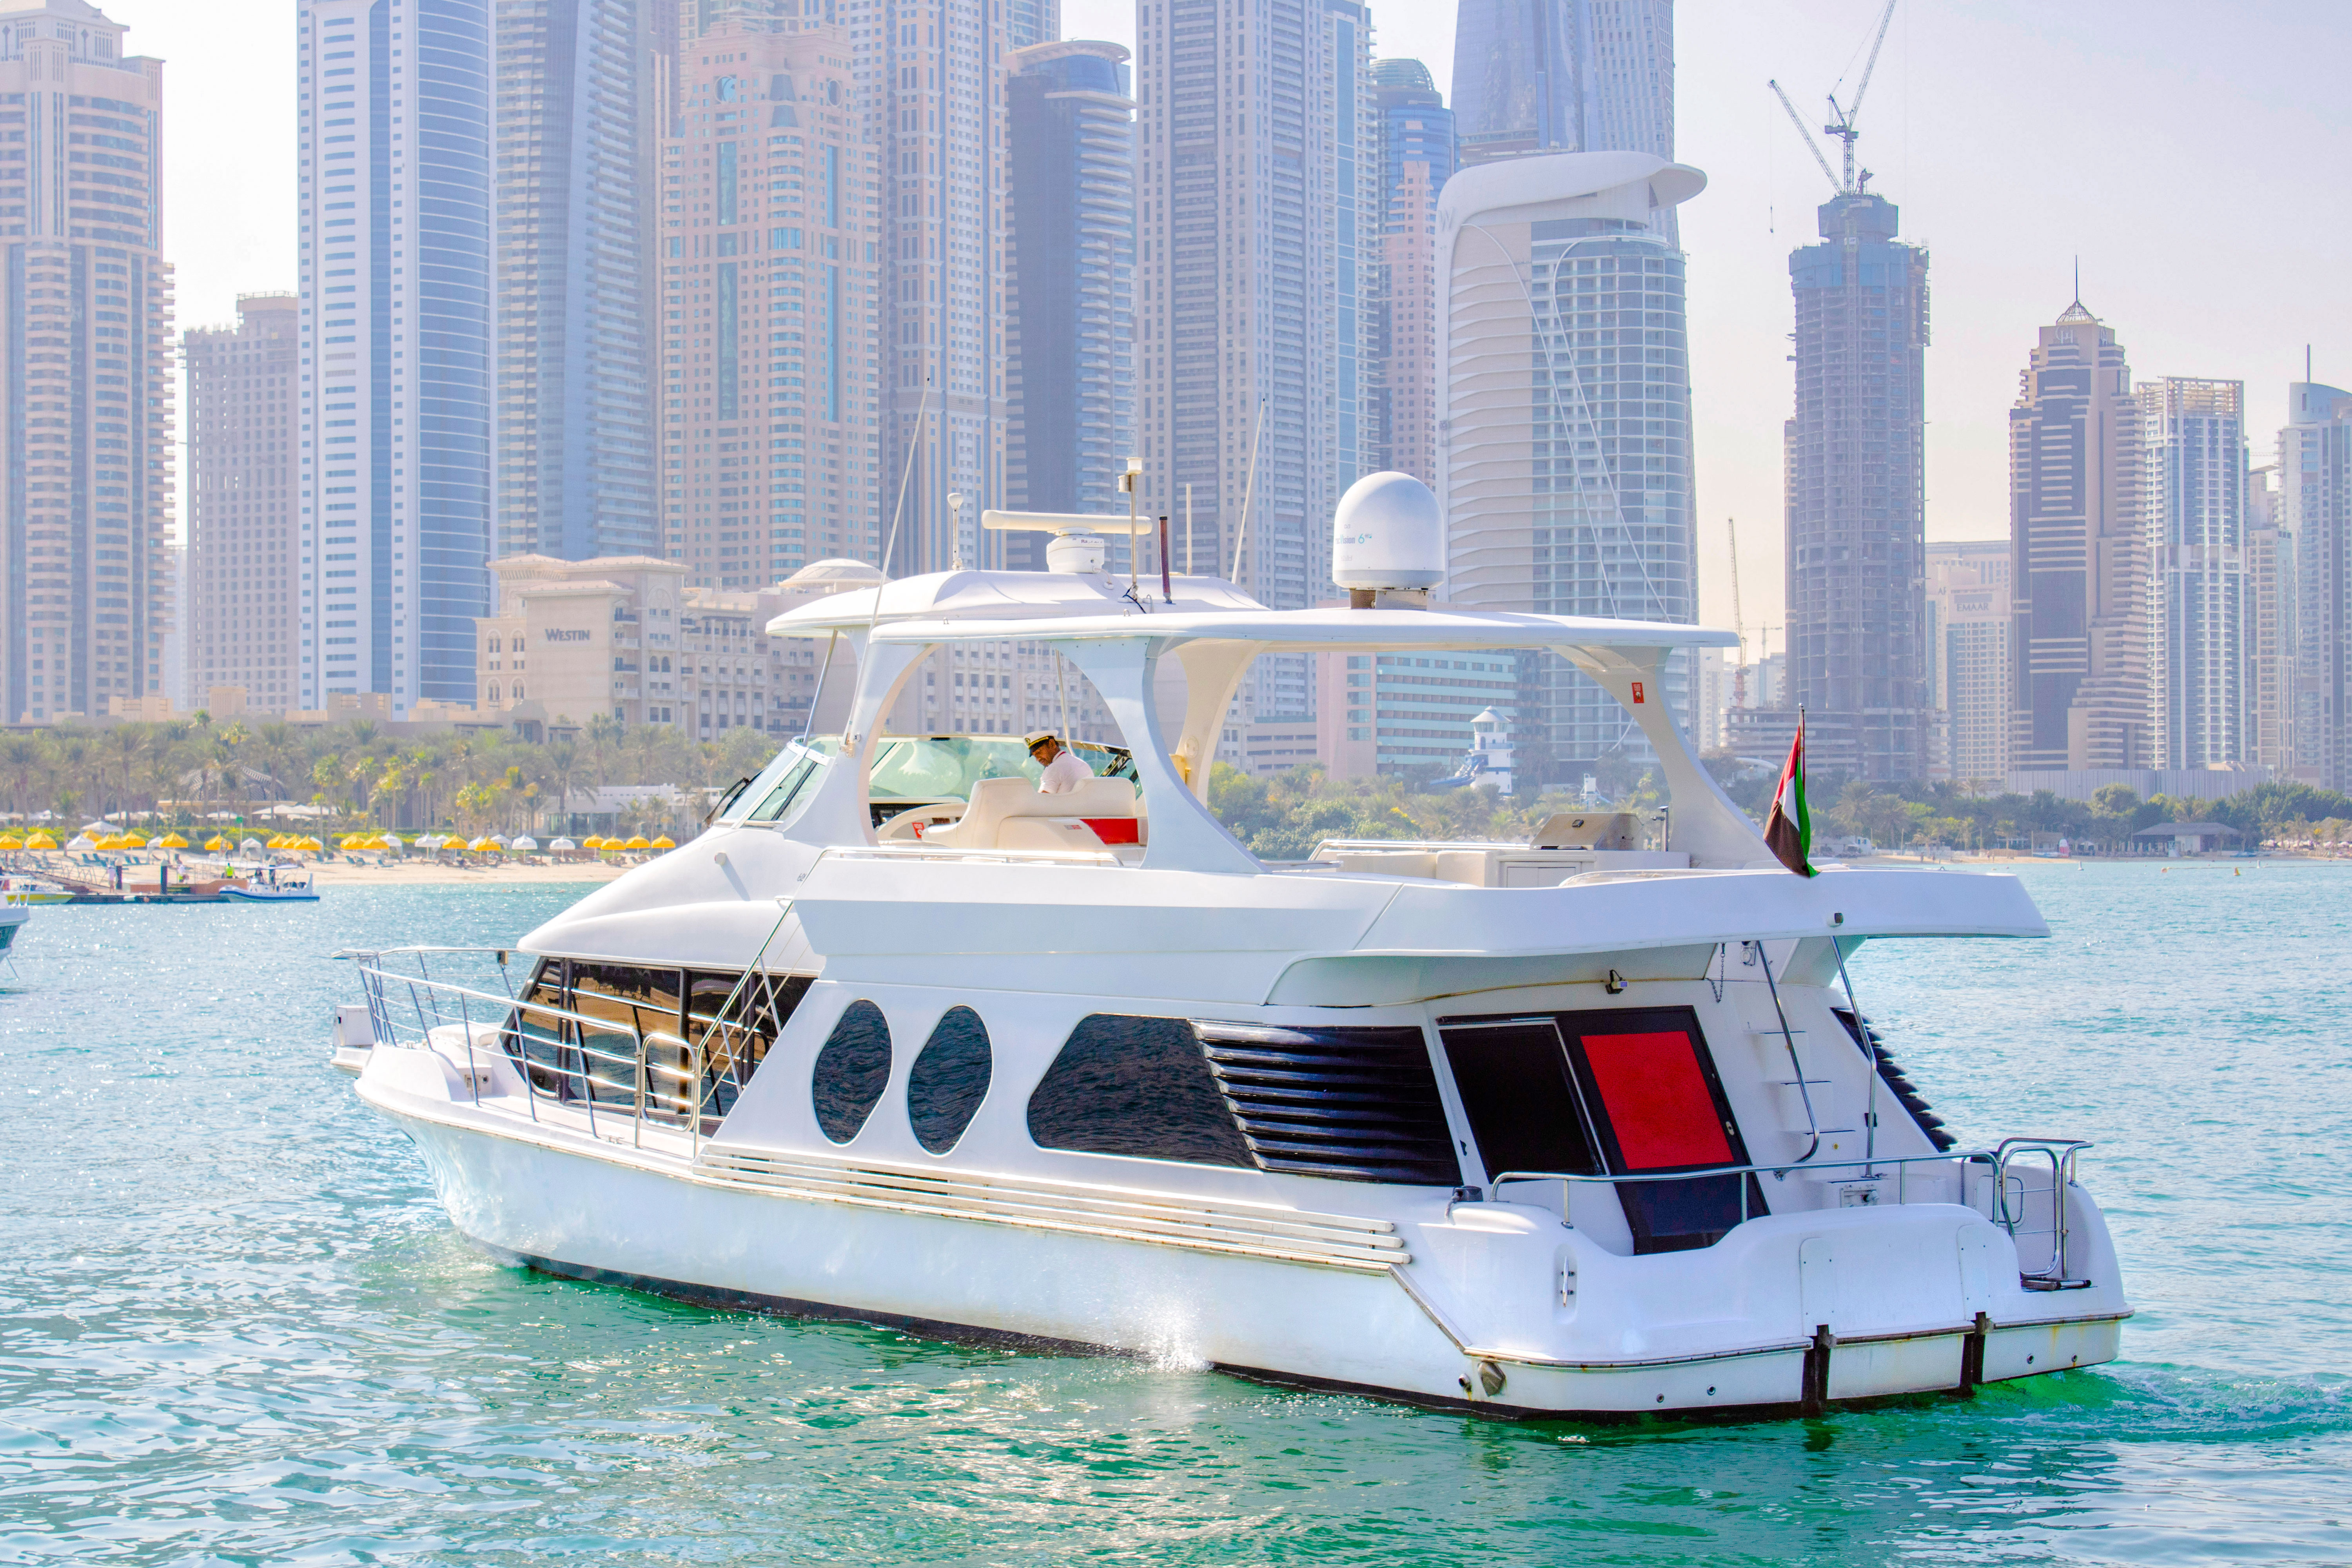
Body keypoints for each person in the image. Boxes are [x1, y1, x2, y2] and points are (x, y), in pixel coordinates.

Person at [1025, 731, 1093, 794]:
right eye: (1035, 756)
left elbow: (1041, 800)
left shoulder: (1054, 768)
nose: (1038, 759)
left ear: (1052, 744)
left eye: (1039, 752)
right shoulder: (1082, 764)